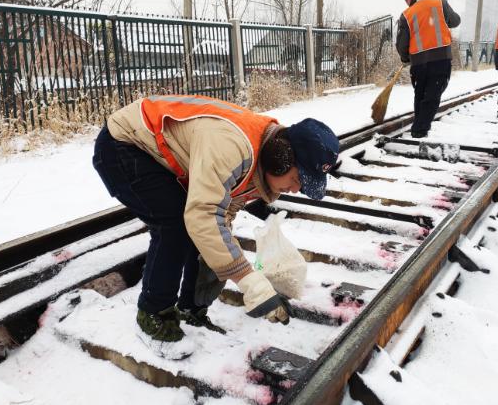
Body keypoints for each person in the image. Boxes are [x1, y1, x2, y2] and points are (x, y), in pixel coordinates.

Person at [92, 94, 339, 358]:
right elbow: (203, 214)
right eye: (297, 179)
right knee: (175, 226)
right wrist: (247, 278)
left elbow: (222, 213)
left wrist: (220, 261)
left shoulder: (262, 161)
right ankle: (153, 316)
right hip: (125, 145)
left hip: (161, 154)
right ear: (282, 157)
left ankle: (191, 309)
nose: (297, 190)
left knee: (210, 238)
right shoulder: (231, 147)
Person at [396, 0, 461, 138]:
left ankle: (419, 126)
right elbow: (455, 21)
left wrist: (405, 58)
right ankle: (419, 129)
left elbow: (401, 44)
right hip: (440, 59)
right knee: (432, 94)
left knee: (420, 93)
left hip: (418, 63)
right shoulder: (440, 3)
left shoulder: (406, 14)